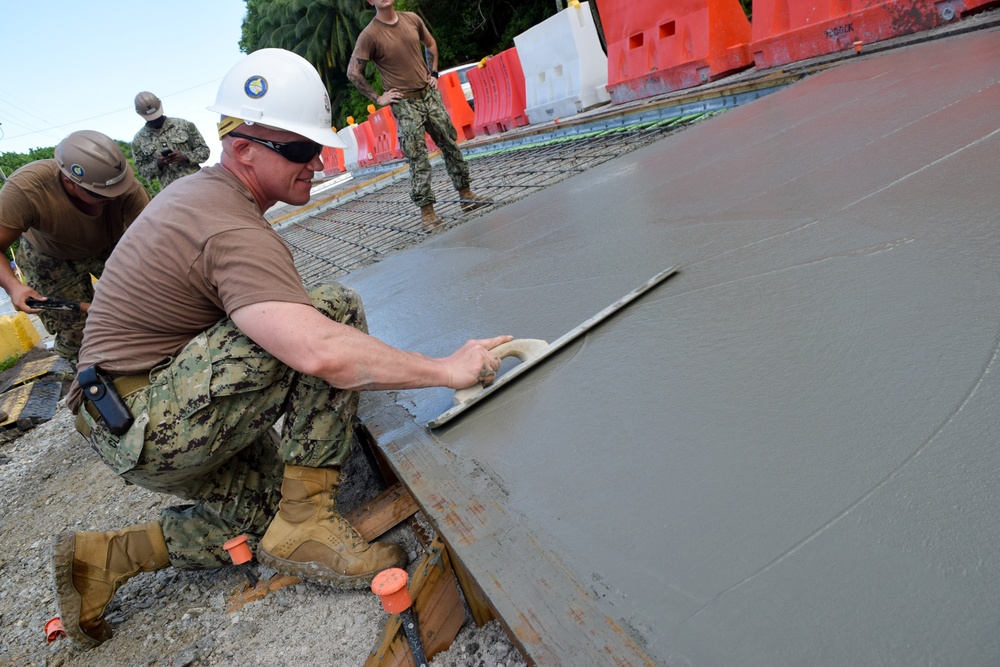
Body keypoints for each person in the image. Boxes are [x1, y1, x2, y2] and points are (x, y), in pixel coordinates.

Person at [51, 48, 510, 648]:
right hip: (145, 418)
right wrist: (446, 371)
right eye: (299, 150)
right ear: (243, 150)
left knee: (265, 516)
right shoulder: (229, 226)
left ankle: (105, 559)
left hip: (122, 417)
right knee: (330, 313)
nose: (317, 162)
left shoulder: (207, 199)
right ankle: (308, 520)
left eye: (316, 147)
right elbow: (320, 352)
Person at [0, 130, 150, 364]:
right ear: (70, 181)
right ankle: (86, 383)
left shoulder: (126, 188)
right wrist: (13, 287)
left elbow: (150, 244)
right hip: (50, 258)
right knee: (77, 334)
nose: (112, 198)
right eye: (101, 195)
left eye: (116, 190)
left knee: (148, 302)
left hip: (111, 245)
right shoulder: (27, 189)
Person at [348, 0, 491, 230]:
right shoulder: (370, 35)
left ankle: (466, 196)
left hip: (428, 94)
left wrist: (433, 73)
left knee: (450, 144)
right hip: (404, 103)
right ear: (371, 2)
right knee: (418, 157)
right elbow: (353, 72)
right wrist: (378, 99)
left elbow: (431, 44)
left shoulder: (412, 19)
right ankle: (428, 215)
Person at [132, 91, 211, 190]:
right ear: (139, 113)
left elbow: (205, 151)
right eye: (151, 118)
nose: (155, 120)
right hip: (170, 193)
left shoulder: (184, 125)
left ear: (160, 104)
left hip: (198, 185)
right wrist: (158, 164)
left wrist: (185, 156)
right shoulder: (138, 140)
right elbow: (142, 171)